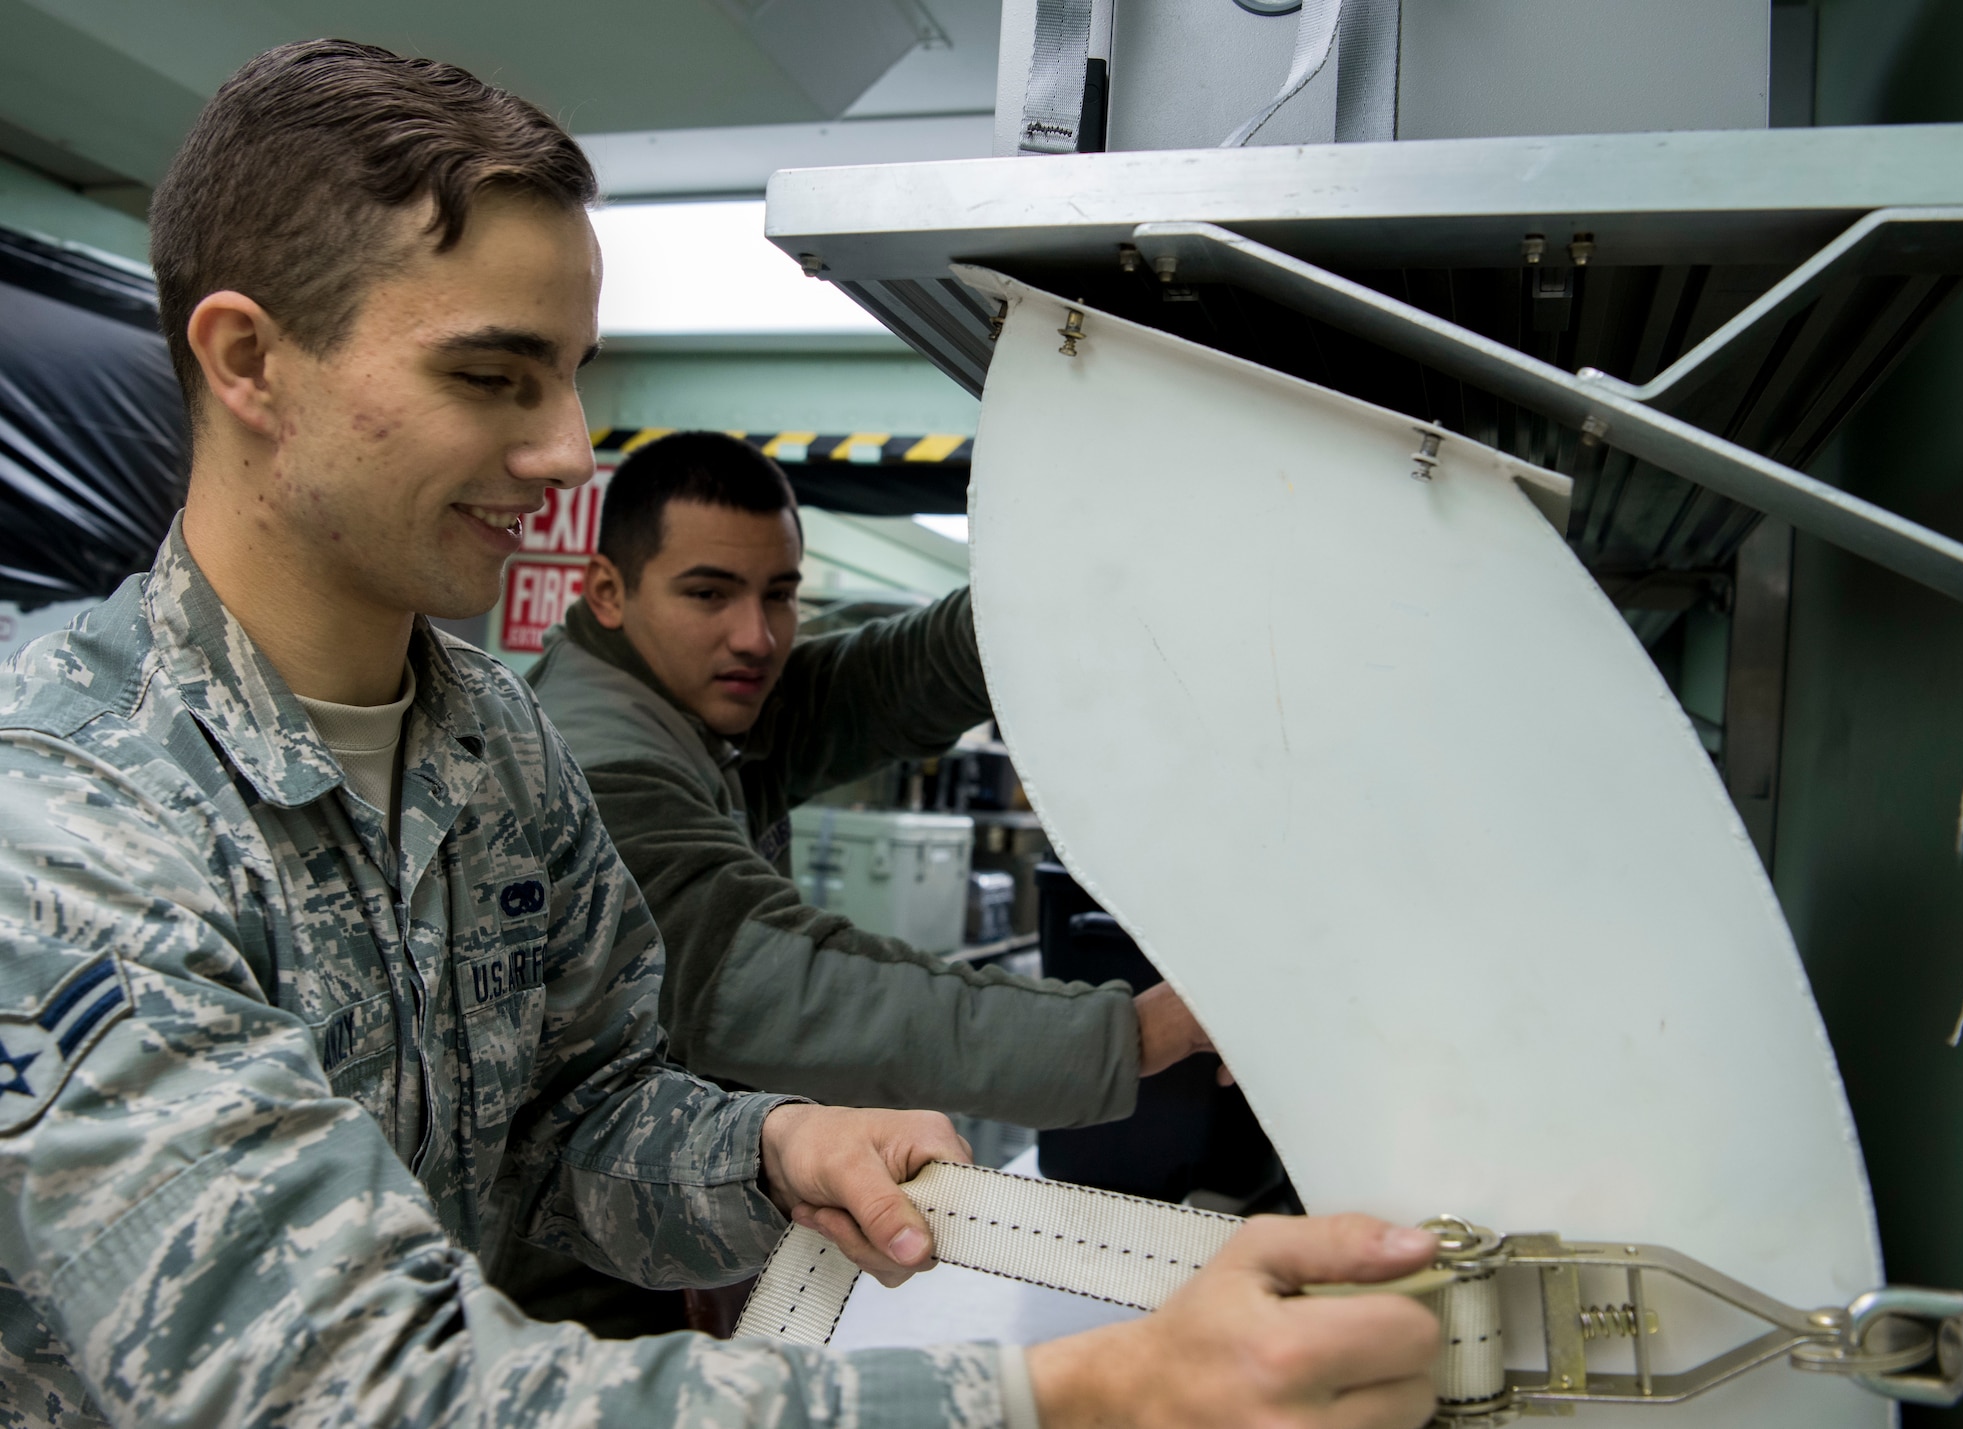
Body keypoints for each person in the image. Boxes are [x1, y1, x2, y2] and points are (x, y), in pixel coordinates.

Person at [0, 39, 1441, 1429]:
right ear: (250, 360)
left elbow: (572, 1122)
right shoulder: (61, 817)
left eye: (570, 374)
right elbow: (338, 1391)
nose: (569, 447)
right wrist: (1082, 1394)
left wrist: (765, 1149)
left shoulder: (488, 743)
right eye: (494, 378)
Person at [529, 433, 1215, 1125]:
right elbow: (806, 993)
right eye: (709, 593)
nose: (757, 638)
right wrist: (1138, 1031)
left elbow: (894, 678)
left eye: (780, 595)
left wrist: (1089, 589)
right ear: (610, 592)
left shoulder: (695, 693)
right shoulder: (600, 772)